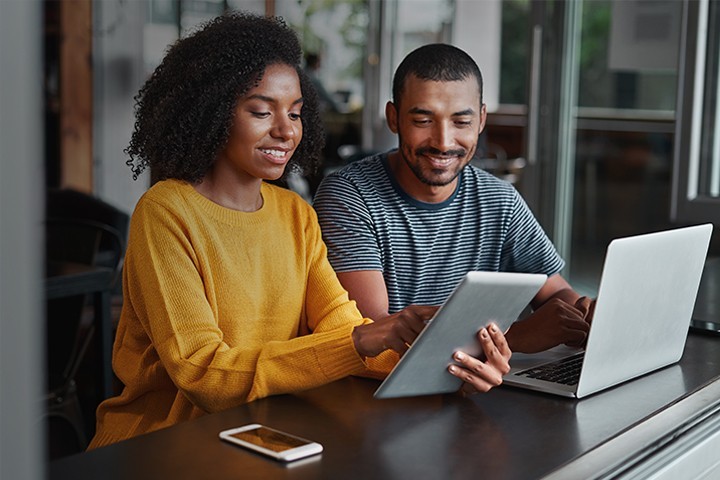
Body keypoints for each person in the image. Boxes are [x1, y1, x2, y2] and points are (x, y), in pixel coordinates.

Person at [88, 16, 511, 449]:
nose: (286, 130)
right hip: (162, 447)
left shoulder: (296, 215)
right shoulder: (165, 212)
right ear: (211, 111)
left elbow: (341, 329)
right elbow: (204, 375)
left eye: (295, 113)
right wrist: (361, 339)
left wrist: (453, 368)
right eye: (260, 111)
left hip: (262, 436)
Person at [314, 43, 594, 354]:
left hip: (475, 386)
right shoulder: (349, 195)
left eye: (461, 122)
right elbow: (374, 335)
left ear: (482, 120)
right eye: (423, 121)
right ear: (393, 118)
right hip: (375, 394)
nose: (443, 142)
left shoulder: (499, 199)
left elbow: (556, 293)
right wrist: (514, 337)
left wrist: (584, 312)